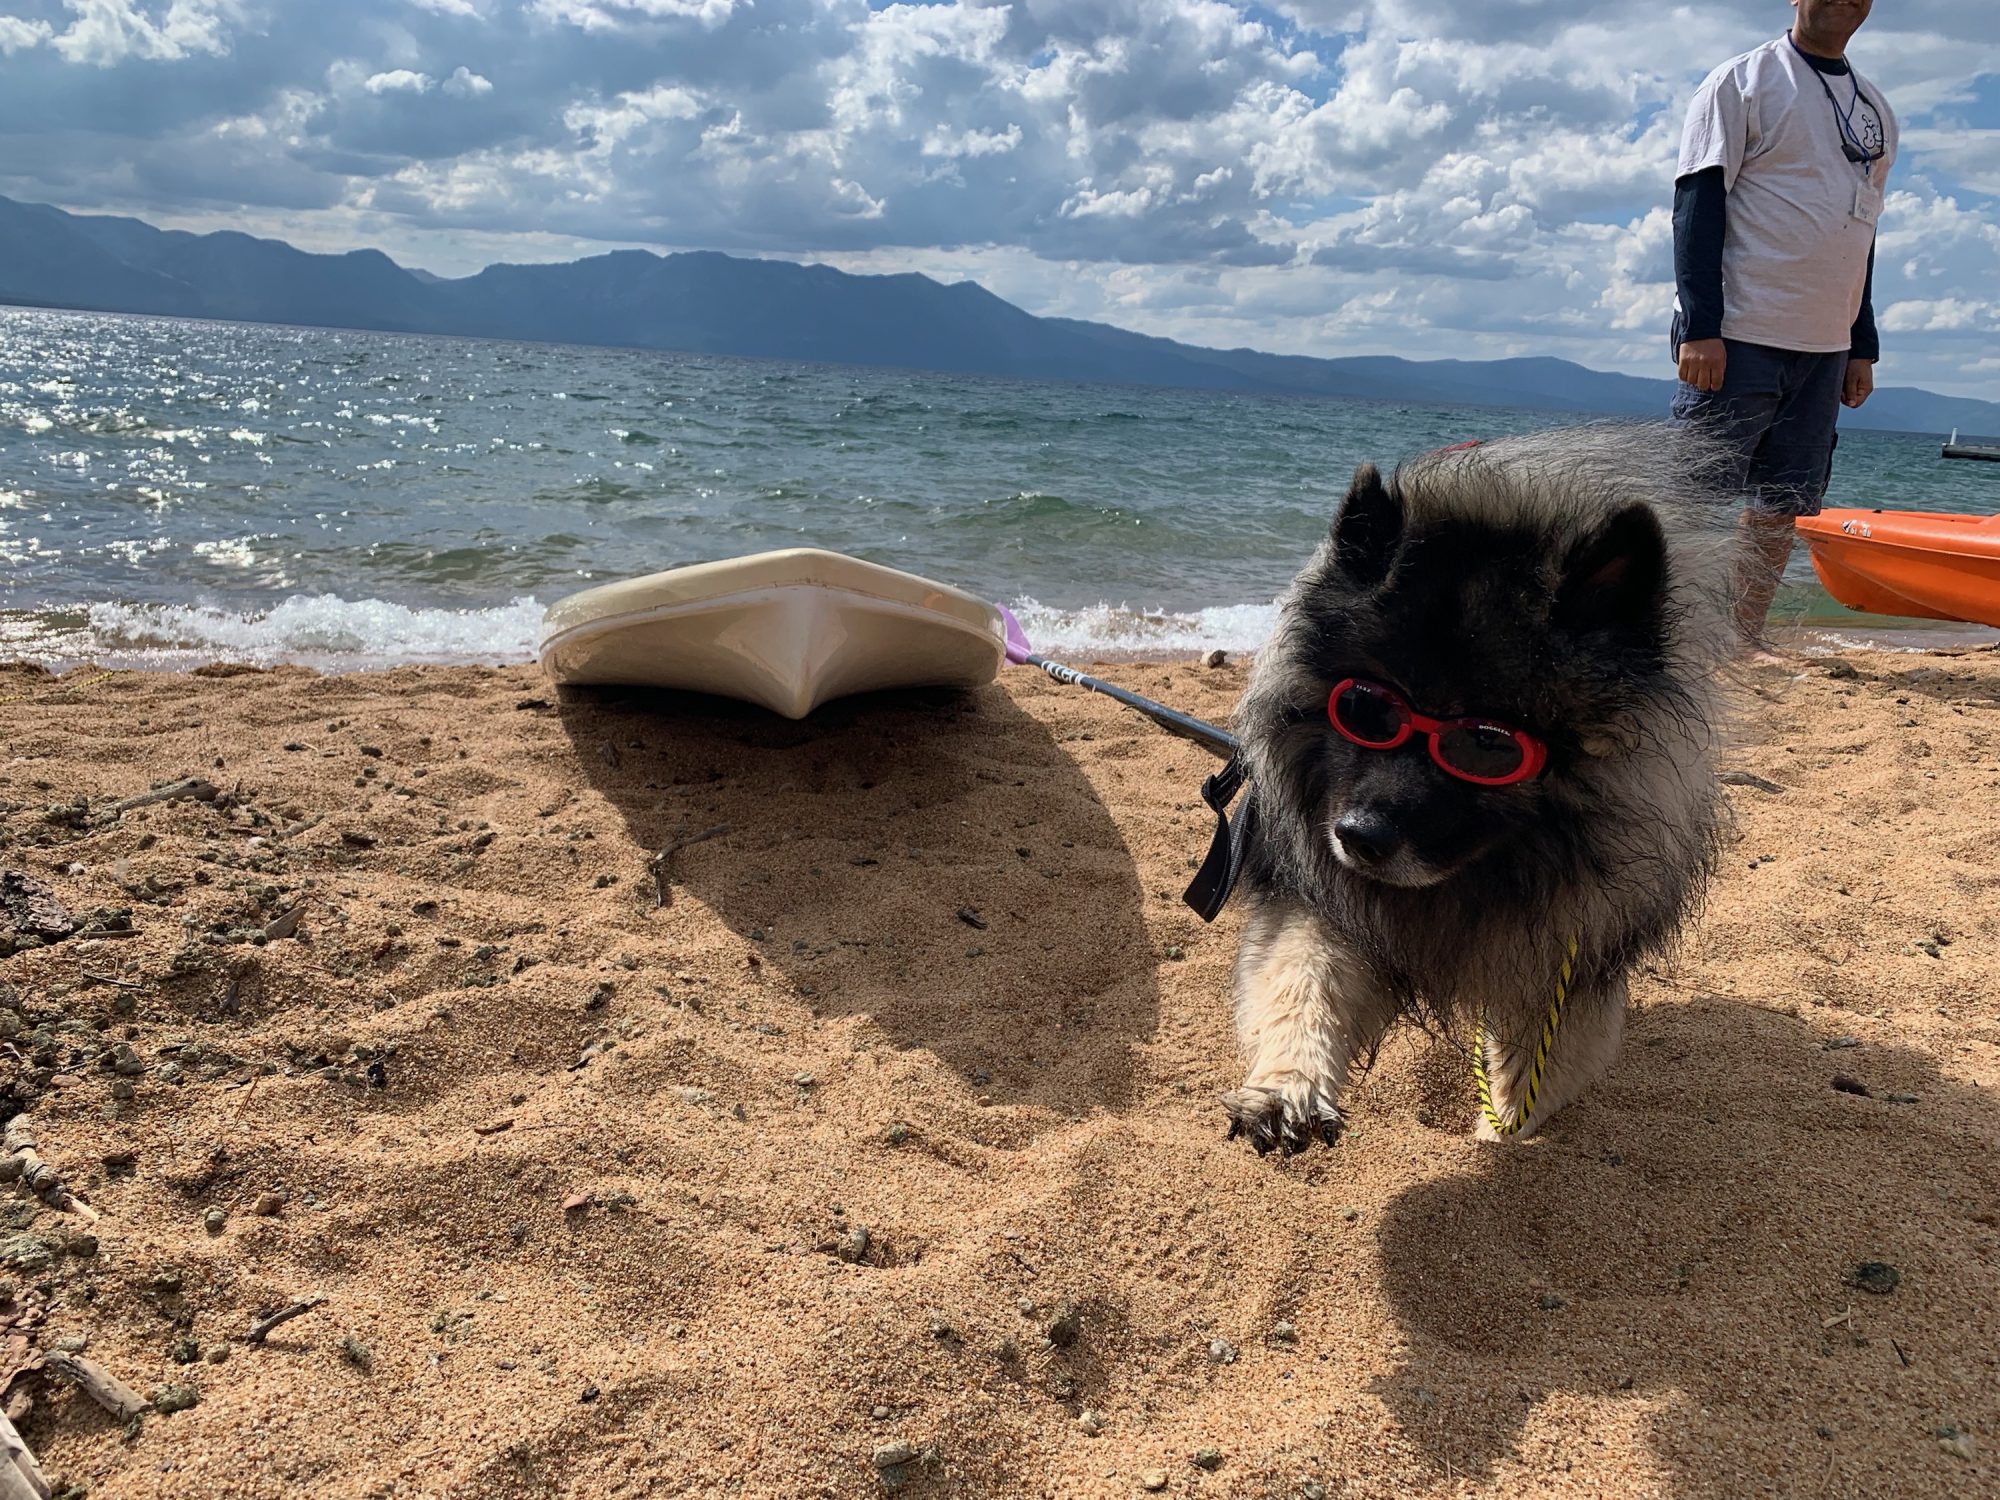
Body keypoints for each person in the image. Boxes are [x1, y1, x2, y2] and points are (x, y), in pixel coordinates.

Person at [1669, 0, 1896, 649]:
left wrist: (1862, 345)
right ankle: (1662, 639)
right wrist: (1700, 325)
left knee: (1780, 506)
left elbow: (1861, 232)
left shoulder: (1875, 111)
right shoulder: (1741, 83)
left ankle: (1742, 640)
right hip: (1737, 334)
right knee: (1687, 500)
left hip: (1824, 347)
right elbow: (1695, 206)